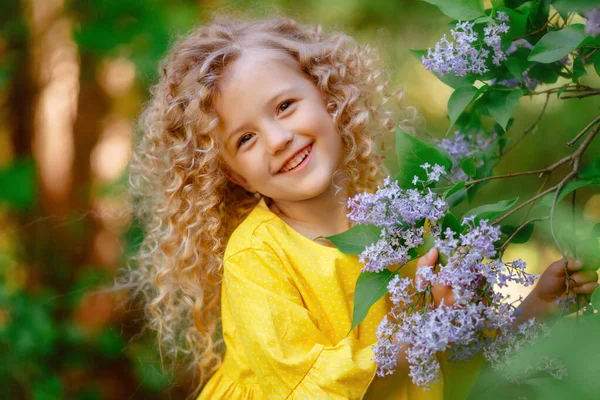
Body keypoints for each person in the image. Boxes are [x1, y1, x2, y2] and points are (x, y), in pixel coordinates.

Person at [124, 15, 599, 400]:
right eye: (244, 139)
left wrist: (537, 304)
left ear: (329, 98)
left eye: (285, 106)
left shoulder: (403, 217)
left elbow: (463, 352)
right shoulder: (257, 258)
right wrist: (413, 331)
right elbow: (301, 392)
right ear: (234, 175)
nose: (278, 139)